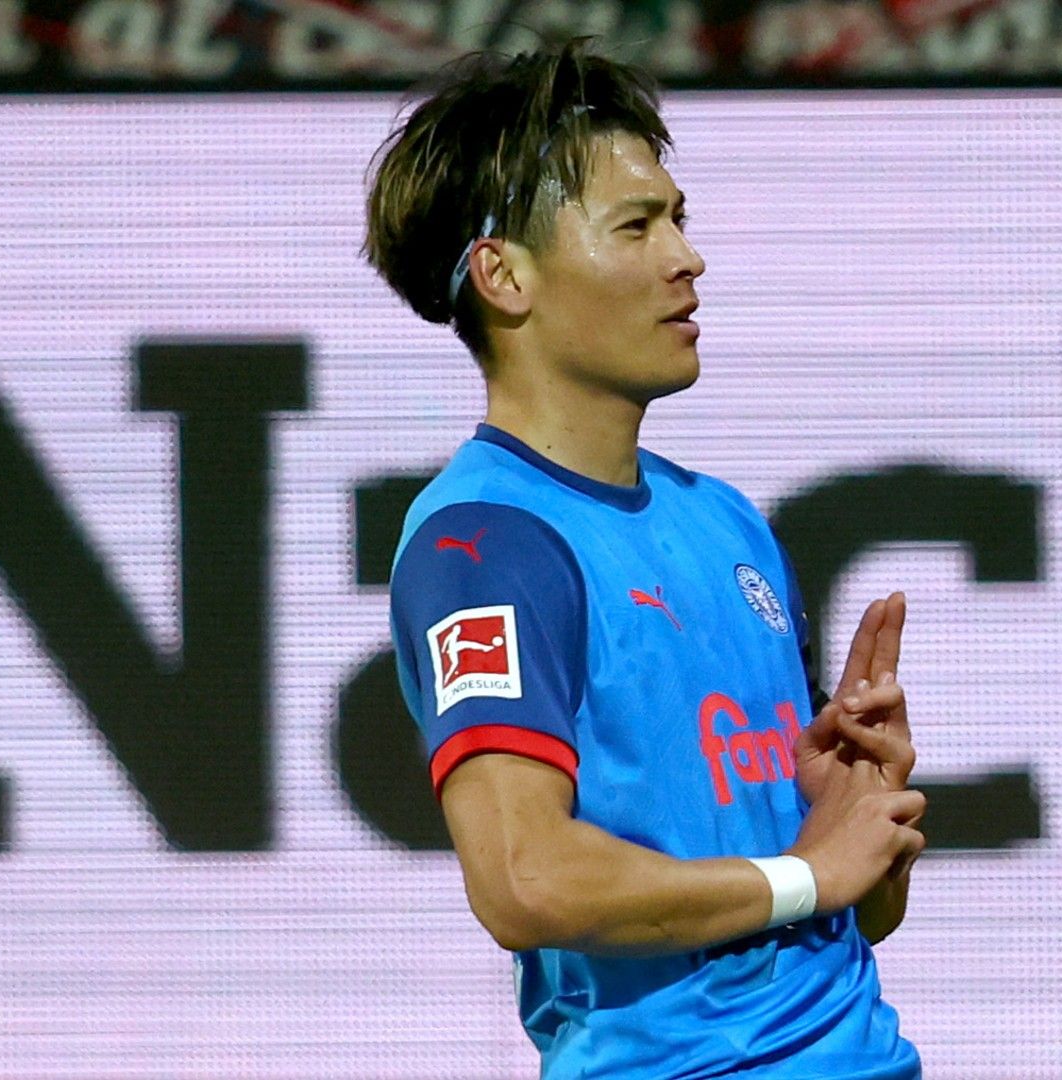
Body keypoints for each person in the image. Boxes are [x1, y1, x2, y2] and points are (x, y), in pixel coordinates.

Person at [361, 38, 925, 1079]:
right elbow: (523, 880)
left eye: (680, 217)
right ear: (503, 275)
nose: (687, 257)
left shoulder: (726, 521)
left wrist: (857, 811)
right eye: (638, 225)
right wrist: (802, 872)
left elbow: (843, 916)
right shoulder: (483, 544)